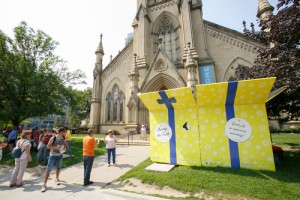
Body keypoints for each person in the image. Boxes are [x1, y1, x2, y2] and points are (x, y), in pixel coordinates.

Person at [41, 127, 66, 192]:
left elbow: (64, 144)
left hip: (60, 155)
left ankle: (57, 179)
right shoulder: (53, 138)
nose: (65, 133)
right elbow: (48, 146)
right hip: (52, 156)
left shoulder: (63, 137)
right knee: (48, 169)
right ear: (61, 132)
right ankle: (44, 184)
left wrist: (64, 148)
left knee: (58, 168)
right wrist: (55, 147)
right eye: (65, 131)